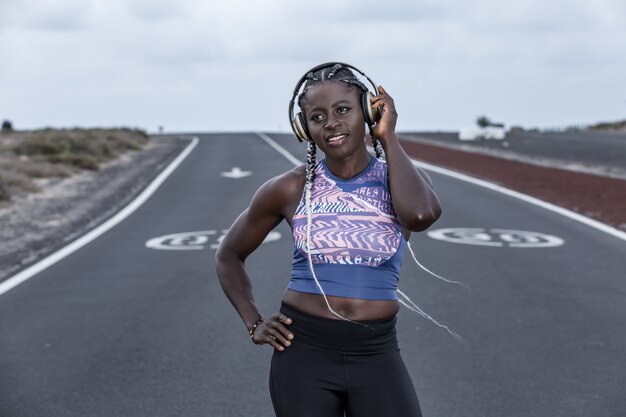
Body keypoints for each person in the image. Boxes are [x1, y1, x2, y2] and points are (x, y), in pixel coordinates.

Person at [215, 62, 442, 417]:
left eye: (343, 110)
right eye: (317, 116)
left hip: (376, 351)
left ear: (368, 111)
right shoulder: (289, 188)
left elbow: (419, 216)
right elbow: (228, 254)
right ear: (304, 128)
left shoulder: (400, 179)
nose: (332, 123)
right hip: (304, 355)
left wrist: (388, 137)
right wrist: (254, 322)